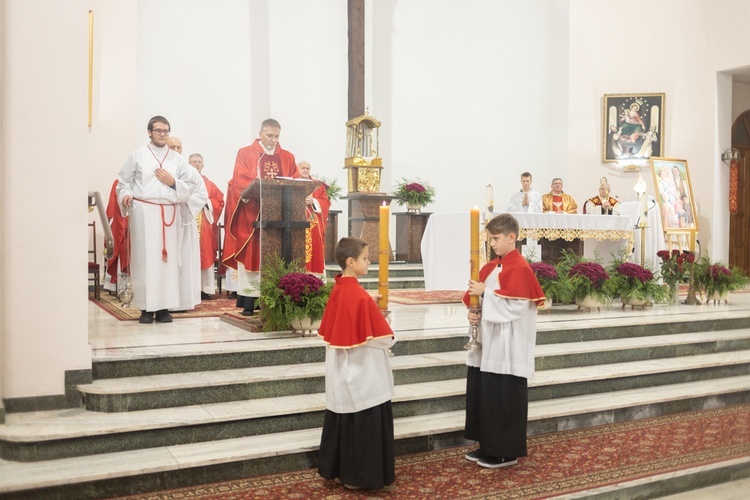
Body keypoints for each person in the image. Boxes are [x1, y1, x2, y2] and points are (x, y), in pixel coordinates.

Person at [464, 213, 545, 469]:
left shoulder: (520, 268)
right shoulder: (492, 266)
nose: (492, 244)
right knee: (488, 393)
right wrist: (474, 312)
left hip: (508, 345)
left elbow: (516, 307)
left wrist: (486, 294)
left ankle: (505, 451)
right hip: (490, 341)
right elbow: (481, 301)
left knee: (503, 394)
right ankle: (487, 444)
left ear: (512, 237)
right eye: (489, 239)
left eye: (496, 238)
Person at [317, 237, 396, 490]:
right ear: (350, 262)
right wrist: (381, 318)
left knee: (345, 416)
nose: (369, 261)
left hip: (343, 370)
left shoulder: (340, 288)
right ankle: (362, 476)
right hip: (364, 372)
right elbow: (385, 340)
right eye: (365, 258)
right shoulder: (359, 297)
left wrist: (369, 307)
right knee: (365, 416)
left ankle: (343, 471)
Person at [116, 116, 203, 323]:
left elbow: (194, 184)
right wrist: (125, 195)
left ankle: (164, 308)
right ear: (149, 132)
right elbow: (123, 182)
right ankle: (146, 308)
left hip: (169, 214)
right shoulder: (137, 155)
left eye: (166, 131)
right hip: (144, 212)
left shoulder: (177, 159)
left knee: (167, 263)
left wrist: (173, 182)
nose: (162, 134)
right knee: (145, 261)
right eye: (158, 131)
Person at [222, 118, 299, 316]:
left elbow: (296, 180)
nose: (273, 140)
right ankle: (250, 301)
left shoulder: (288, 157)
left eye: (277, 136)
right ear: (260, 133)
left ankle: (276, 299)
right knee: (252, 255)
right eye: (270, 135)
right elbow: (240, 180)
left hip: (280, 217)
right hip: (253, 215)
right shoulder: (246, 153)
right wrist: (259, 187)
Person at [189, 153, 225, 300]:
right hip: (188, 222)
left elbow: (219, 201)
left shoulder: (209, 184)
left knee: (205, 254)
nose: (196, 164)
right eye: (193, 162)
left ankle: (205, 289)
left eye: (199, 162)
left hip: (204, 224)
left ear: (203, 166)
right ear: (187, 164)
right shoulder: (182, 181)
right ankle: (189, 289)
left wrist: (207, 203)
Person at [297, 161, 331, 275]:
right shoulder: (291, 183)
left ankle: (315, 277)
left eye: (308, 168)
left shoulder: (317, 186)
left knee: (315, 249)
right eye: (303, 168)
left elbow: (326, 202)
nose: (306, 170)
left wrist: (315, 201)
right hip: (297, 224)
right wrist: (300, 201)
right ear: (297, 169)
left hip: (314, 226)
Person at [103, 179, 128, 295]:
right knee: (123, 248)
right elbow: (113, 207)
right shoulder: (119, 182)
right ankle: (121, 287)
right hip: (121, 221)